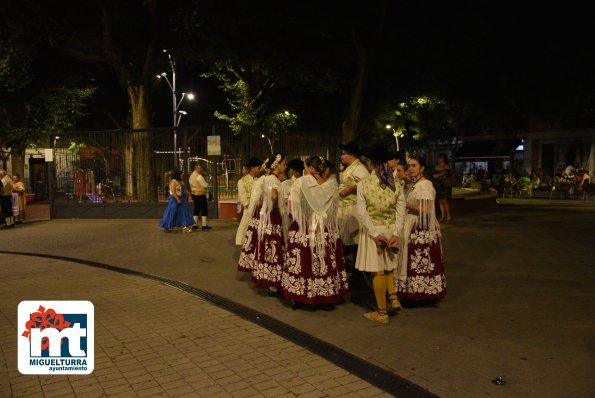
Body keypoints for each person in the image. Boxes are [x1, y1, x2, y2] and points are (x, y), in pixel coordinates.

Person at [281, 156, 348, 308]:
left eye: (305, 167)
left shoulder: (300, 182)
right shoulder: (331, 185)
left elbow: (292, 207)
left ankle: (302, 296)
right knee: (323, 261)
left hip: (305, 228)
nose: (304, 170)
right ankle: (325, 296)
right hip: (325, 229)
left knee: (304, 261)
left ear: (312, 168)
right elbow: (336, 209)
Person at [355, 144, 406, 324]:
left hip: (373, 231)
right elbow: (401, 210)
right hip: (390, 228)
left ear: (370, 163)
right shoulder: (396, 183)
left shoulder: (363, 184)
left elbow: (362, 212)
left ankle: (381, 312)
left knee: (377, 272)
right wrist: (396, 233)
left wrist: (374, 233)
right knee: (388, 267)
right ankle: (393, 298)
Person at [395, 156, 446, 301]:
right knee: (410, 259)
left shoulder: (425, 185)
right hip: (411, 223)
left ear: (422, 168)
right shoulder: (413, 184)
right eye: (409, 165)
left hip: (420, 226)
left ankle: (420, 293)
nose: (410, 168)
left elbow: (426, 209)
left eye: (414, 165)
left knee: (419, 260)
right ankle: (409, 291)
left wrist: (403, 204)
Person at [238, 154, 287, 294]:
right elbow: (273, 195)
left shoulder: (269, 178)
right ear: (277, 165)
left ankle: (270, 279)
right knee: (274, 247)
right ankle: (273, 282)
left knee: (270, 248)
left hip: (267, 217)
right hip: (272, 217)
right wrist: (277, 206)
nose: (285, 166)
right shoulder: (272, 179)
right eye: (283, 163)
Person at [337, 141, 370, 268]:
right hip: (347, 207)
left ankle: (359, 270)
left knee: (356, 241)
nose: (341, 156)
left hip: (354, 208)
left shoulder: (359, 168)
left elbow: (367, 185)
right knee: (349, 241)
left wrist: (351, 189)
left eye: (343, 154)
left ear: (351, 155)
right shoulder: (351, 168)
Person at [235, 157, 262, 246]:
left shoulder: (260, 180)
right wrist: (255, 204)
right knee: (247, 235)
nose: (260, 170)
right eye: (258, 168)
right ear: (252, 168)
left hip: (260, 211)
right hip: (249, 212)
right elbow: (244, 201)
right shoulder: (242, 181)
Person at [189, 162, 211, 230]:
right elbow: (205, 185)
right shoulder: (199, 176)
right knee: (204, 209)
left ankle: (194, 225)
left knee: (196, 209)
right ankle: (204, 225)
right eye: (201, 168)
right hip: (200, 195)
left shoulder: (192, 175)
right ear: (197, 168)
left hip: (194, 194)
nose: (202, 169)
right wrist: (209, 181)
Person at [432, 153, 453, 223]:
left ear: (443, 159)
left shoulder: (446, 167)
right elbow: (434, 176)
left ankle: (449, 216)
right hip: (438, 185)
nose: (439, 159)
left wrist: (439, 175)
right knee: (440, 201)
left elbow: (446, 176)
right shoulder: (437, 167)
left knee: (444, 201)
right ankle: (443, 216)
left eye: (440, 158)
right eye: (439, 158)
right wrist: (441, 174)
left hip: (444, 186)